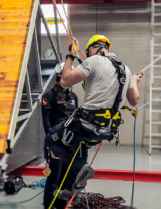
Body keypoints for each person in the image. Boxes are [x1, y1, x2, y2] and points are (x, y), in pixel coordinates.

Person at [44, 35, 143, 203]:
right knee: (74, 147)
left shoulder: (94, 61)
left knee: (51, 139)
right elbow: (134, 101)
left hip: (87, 124)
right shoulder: (125, 69)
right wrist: (134, 81)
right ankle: (74, 189)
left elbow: (65, 80)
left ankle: (82, 169)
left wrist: (71, 54)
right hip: (108, 129)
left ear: (91, 49)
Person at [41, 63, 80, 209]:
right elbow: (46, 124)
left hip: (70, 143)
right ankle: (49, 206)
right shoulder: (48, 96)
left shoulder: (74, 97)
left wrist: (79, 143)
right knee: (54, 177)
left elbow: (75, 121)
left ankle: (62, 204)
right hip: (55, 143)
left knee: (68, 176)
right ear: (59, 76)